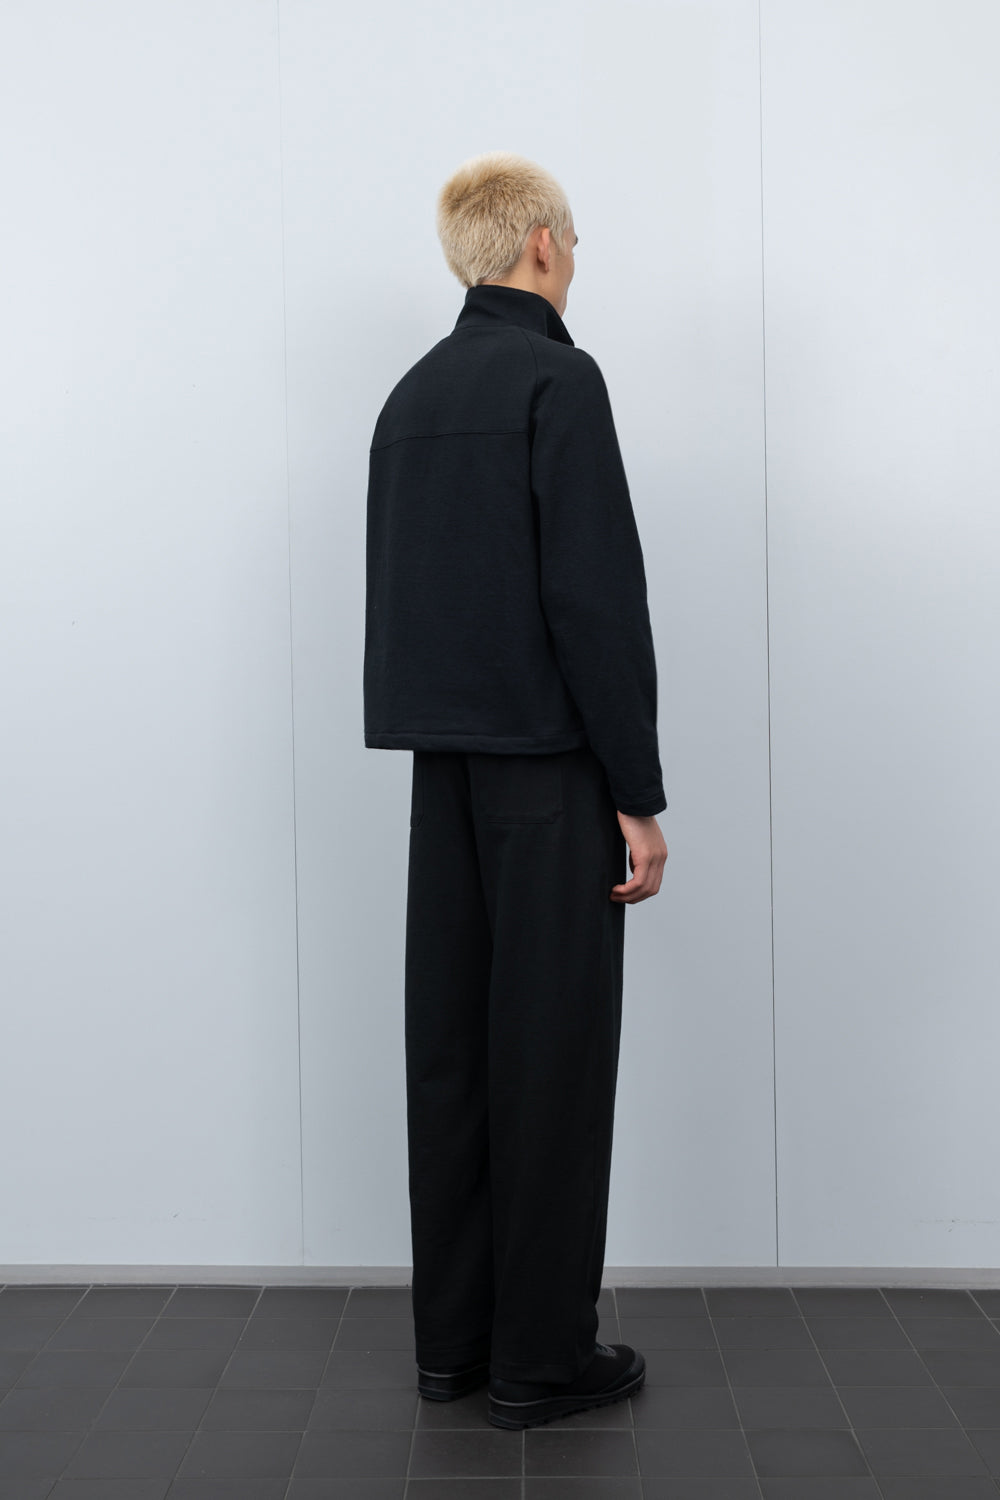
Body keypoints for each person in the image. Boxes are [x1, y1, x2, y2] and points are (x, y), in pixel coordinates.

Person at [363, 150, 668, 1430]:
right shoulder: (558, 379)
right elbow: (592, 598)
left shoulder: (413, 392)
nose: (577, 260)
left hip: (443, 774)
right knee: (549, 1059)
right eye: (576, 240)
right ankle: (540, 1357)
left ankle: (454, 1344)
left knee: (453, 1055)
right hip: (548, 775)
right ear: (540, 243)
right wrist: (636, 792)